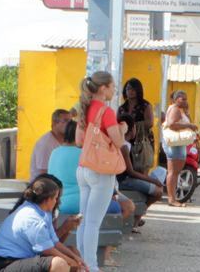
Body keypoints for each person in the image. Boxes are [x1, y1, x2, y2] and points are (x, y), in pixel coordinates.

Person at [0, 176, 87, 272]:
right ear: (47, 200)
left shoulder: (44, 213)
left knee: (72, 252)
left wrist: (75, 259)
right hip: (1, 264)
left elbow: (54, 242)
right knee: (59, 264)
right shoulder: (32, 217)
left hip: (20, 259)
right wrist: (70, 261)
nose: (57, 201)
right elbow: (47, 249)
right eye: (55, 198)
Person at [75, 71, 124, 272]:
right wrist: (124, 128)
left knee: (83, 220)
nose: (114, 90)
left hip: (83, 169)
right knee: (93, 223)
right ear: (103, 89)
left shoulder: (83, 109)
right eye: (112, 86)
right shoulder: (106, 112)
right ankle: (91, 266)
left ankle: (81, 262)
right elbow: (119, 142)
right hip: (101, 171)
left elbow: (78, 141)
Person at [116, 114, 163, 228]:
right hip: (124, 181)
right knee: (158, 192)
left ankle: (138, 215)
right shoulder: (124, 147)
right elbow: (131, 172)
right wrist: (153, 180)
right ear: (132, 129)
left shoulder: (121, 143)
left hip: (124, 178)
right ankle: (138, 217)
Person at [163, 90, 198, 207]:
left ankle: (172, 198)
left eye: (186, 99)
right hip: (175, 145)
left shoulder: (179, 110)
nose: (185, 101)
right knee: (173, 172)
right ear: (176, 99)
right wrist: (188, 125)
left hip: (178, 145)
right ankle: (172, 199)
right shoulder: (175, 110)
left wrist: (187, 112)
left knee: (174, 172)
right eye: (183, 99)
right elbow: (171, 124)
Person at [118, 78, 155, 173]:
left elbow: (150, 123)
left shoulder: (145, 105)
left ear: (138, 90)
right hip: (126, 141)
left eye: (133, 89)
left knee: (141, 169)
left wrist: (132, 125)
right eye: (128, 89)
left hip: (142, 142)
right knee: (124, 169)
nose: (130, 91)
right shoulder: (122, 108)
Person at [30, 109, 71, 181]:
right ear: (54, 123)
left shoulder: (67, 141)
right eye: (66, 121)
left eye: (71, 122)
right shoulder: (45, 144)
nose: (70, 125)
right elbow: (44, 174)